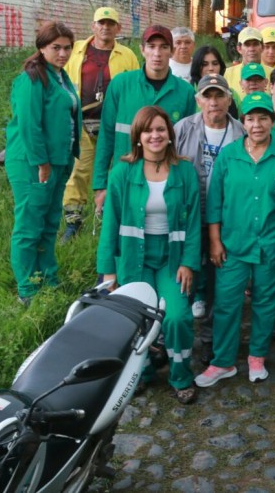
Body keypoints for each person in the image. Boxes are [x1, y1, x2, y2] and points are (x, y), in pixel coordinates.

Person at [97, 105, 200, 404]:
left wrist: (188, 262)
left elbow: (194, 222)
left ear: (170, 134)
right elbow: (110, 225)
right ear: (138, 137)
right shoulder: (122, 172)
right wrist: (109, 272)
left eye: (160, 129)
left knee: (178, 317)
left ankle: (181, 376)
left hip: (172, 259)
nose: (155, 135)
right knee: (136, 319)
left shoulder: (185, 171)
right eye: (148, 130)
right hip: (134, 259)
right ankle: (141, 373)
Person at [196, 92, 275, 388]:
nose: (257, 124)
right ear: (243, 122)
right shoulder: (229, 155)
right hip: (232, 244)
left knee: (266, 302)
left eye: (263, 118)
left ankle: (257, 356)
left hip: (272, 243)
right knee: (226, 303)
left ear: (273, 121)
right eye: (251, 118)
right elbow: (215, 201)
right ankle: (223, 361)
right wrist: (215, 241)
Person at [5, 22, 81, 304]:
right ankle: (27, 288)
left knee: (49, 223)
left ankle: (47, 276)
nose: (63, 53)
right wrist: (42, 162)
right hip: (33, 163)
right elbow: (29, 124)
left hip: (58, 161)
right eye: (55, 47)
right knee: (29, 225)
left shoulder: (60, 76)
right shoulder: (32, 78)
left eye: (67, 48)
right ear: (42, 47)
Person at [92, 25, 197, 213]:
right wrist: (100, 185)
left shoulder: (185, 92)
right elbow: (106, 135)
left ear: (172, 52)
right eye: (151, 46)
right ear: (142, 50)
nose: (157, 53)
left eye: (164, 47)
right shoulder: (121, 85)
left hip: (166, 183)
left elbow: (186, 145)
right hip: (125, 177)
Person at [60, 7, 139, 242]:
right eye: (101, 23)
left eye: (110, 23)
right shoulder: (76, 51)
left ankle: (110, 215)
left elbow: (135, 88)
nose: (105, 27)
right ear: (93, 26)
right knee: (79, 172)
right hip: (82, 122)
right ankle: (73, 221)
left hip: (114, 126)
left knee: (116, 170)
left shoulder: (127, 55)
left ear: (118, 28)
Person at [173, 74, 245, 324]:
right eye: (207, 96)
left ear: (229, 99)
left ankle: (211, 328)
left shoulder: (242, 132)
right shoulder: (182, 129)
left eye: (219, 96)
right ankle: (186, 311)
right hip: (190, 211)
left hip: (227, 215)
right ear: (198, 100)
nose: (213, 102)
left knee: (220, 268)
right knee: (189, 262)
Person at [224, 27, 269, 98]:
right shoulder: (228, 74)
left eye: (255, 44)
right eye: (247, 45)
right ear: (239, 48)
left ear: (262, 47)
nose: (251, 49)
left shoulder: (273, 73)